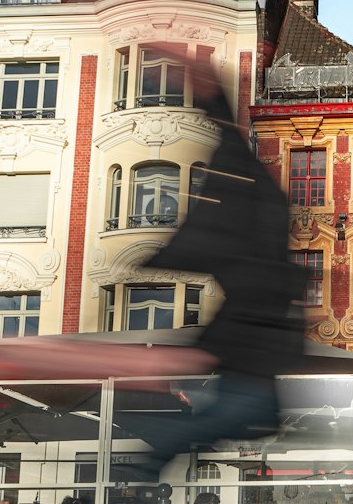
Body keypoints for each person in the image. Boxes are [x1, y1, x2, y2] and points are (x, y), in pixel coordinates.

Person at [124, 49, 304, 479]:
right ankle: (155, 458)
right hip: (253, 351)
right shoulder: (255, 228)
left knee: (183, 436)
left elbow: (230, 135)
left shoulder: (250, 232)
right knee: (206, 424)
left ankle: (153, 461)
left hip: (250, 352)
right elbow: (230, 134)